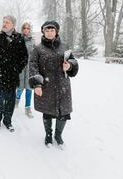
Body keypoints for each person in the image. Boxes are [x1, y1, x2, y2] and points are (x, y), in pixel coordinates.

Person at [29, 20, 79, 149]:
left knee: (63, 113)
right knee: (48, 112)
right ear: (43, 32)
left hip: (63, 86)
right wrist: (37, 85)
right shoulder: (38, 49)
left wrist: (70, 65)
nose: (50, 33)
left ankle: (58, 135)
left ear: (56, 32)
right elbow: (33, 67)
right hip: (46, 86)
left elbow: (73, 60)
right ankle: (48, 135)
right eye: (47, 30)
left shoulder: (64, 46)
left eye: (52, 30)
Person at [0, 15, 28, 132]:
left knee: (10, 101)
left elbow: (24, 57)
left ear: (13, 25)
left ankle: (7, 120)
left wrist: (17, 69)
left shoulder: (19, 38)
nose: (4, 24)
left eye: (7, 22)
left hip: (12, 76)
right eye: (3, 22)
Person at [15, 22, 35, 119]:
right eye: (24, 28)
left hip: (30, 68)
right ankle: (16, 100)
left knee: (29, 88)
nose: (26, 30)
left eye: (28, 28)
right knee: (20, 87)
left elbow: (35, 54)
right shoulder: (18, 39)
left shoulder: (33, 41)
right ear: (22, 29)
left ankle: (28, 108)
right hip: (20, 67)